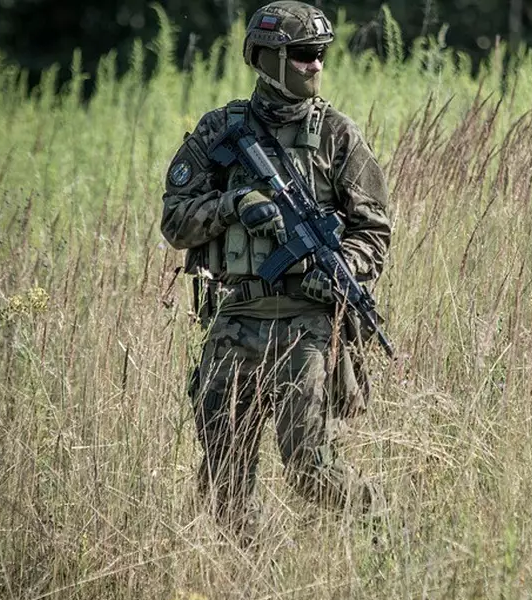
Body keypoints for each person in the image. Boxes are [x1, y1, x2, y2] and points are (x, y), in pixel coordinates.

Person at [160, 0, 391, 540]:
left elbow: (374, 230)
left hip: (307, 326)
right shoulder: (221, 131)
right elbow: (174, 222)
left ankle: (383, 529)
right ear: (267, 58)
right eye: (305, 54)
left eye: (321, 55)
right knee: (224, 473)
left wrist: (340, 270)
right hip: (235, 319)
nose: (317, 65)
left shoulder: (337, 134)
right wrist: (233, 205)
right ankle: (253, 582)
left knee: (311, 470)